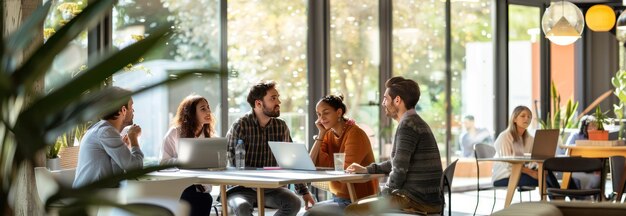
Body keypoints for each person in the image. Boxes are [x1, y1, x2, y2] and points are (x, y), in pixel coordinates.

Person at [345, 76, 443, 215]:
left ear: (397, 100)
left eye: (385, 98)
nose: (383, 103)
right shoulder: (416, 122)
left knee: (352, 210)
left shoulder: (407, 126)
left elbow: (399, 170)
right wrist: (367, 170)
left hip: (416, 201)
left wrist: (383, 193)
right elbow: (397, 162)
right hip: (427, 199)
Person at [225, 80, 315, 216]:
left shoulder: (281, 126)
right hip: (241, 189)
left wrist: (304, 192)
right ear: (258, 103)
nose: (279, 102)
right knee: (242, 207)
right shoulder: (240, 125)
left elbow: (293, 161)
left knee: (294, 203)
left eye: (278, 97)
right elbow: (232, 162)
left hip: (271, 189)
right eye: (273, 98)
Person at [304, 95, 378, 215]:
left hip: (358, 200)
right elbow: (311, 163)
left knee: (311, 214)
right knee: (307, 212)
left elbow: (346, 170)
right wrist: (321, 134)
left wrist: (329, 165)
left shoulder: (355, 134)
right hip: (338, 198)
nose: (321, 118)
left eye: (326, 113)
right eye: (318, 114)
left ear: (339, 112)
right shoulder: (328, 134)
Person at [73, 87, 144, 188]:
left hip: (95, 196)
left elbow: (115, 176)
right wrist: (134, 139)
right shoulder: (106, 132)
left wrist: (125, 147)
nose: (133, 110)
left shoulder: (101, 129)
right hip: (91, 199)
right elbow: (136, 170)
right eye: (131, 106)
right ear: (123, 110)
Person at [159, 94, 216, 216]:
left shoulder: (209, 136)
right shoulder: (175, 132)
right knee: (198, 198)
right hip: (181, 188)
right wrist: (185, 160)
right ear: (191, 113)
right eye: (203, 108)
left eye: (208, 107)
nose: (208, 111)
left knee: (205, 198)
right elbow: (163, 163)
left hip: (202, 189)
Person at [492, 105, 538, 187]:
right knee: (542, 179)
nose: (527, 119)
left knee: (546, 175)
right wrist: (531, 172)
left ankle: (559, 198)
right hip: (504, 176)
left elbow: (532, 160)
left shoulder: (530, 139)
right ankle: (559, 198)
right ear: (514, 119)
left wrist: (536, 169)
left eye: (529, 117)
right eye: (523, 116)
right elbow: (509, 164)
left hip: (521, 173)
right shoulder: (504, 137)